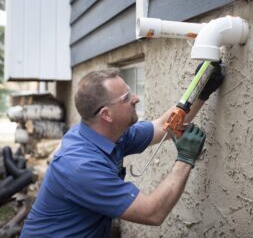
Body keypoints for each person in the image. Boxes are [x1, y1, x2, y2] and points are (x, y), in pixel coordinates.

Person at [20, 62, 224, 237]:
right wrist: (185, 159)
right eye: (127, 97)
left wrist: (200, 91)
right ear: (106, 115)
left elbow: (164, 126)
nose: (136, 98)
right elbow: (152, 213)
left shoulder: (109, 133)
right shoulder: (81, 167)